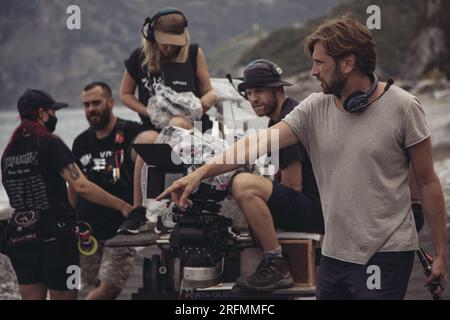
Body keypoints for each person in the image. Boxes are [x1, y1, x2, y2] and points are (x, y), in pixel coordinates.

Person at [157, 16, 448, 300]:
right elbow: (256, 143)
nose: (313, 72)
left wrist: (441, 255)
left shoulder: (404, 107)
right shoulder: (314, 108)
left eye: (320, 63)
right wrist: (198, 174)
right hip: (335, 254)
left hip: (386, 253)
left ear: (348, 63)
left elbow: (427, 182)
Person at [1, 89, 133, 300]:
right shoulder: (51, 143)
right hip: (57, 241)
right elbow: (82, 186)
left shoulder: (9, 151)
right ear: (42, 113)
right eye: (53, 111)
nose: (55, 116)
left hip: (20, 240)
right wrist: (123, 206)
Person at [229, 59, 324, 292]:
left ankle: (275, 262)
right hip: (319, 205)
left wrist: (262, 212)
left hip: (317, 210)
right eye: (249, 93)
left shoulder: (287, 121)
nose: (253, 98)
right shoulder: (282, 116)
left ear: (278, 89)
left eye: (259, 91)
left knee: (243, 184)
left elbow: (293, 185)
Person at [119, 7, 217, 206]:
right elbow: (125, 94)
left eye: (175, 44)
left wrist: (201, 104)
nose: (170, 49)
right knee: (148, 142)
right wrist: (148, 112)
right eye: (166, 44)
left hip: (189, 123)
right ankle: (139, 209)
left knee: (178, 127)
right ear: (152, 35)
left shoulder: (193, 53)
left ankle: (181, 202)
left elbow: (210, 92)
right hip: (153, 125)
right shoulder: (138, 58)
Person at [68, 82, 141, 299]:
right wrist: (68, 219)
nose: (91, 109)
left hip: (121, 230)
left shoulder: (132, 133)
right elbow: (74, 186)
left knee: (108, 289)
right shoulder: (80, 142)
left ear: (110, 102)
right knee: (89, 287)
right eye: (86, 104)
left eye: (96, 103)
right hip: (87, 230)